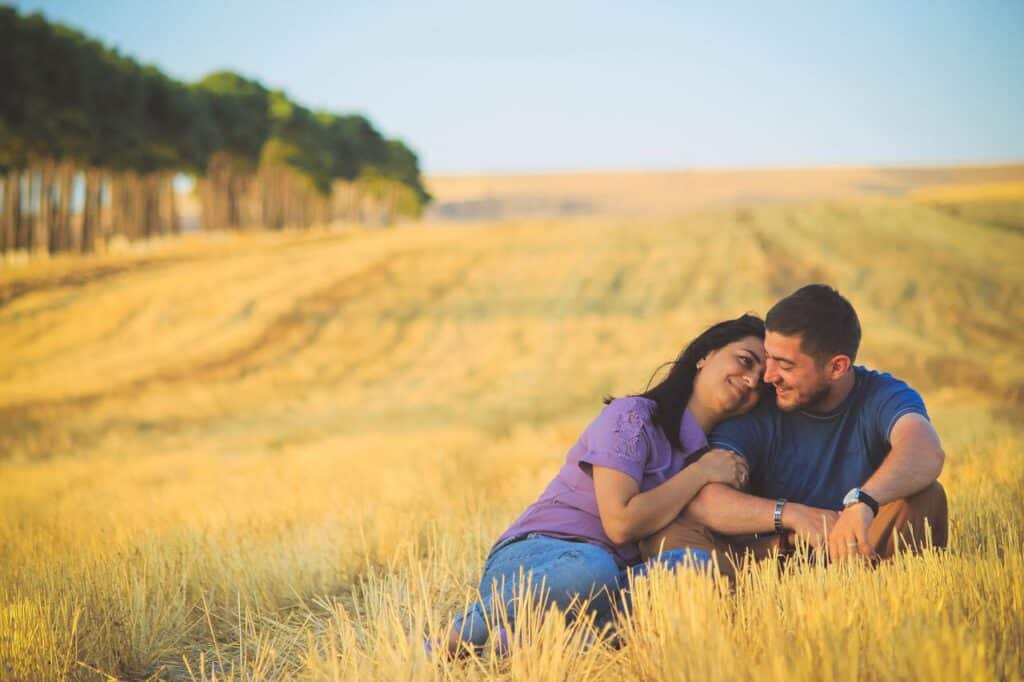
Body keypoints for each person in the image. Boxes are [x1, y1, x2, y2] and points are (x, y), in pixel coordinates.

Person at [434, 314, 767, 657]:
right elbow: (620, 524)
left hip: (611, 583)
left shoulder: (715, 457)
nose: (752, 380)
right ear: (705, 355)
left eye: (762, 381)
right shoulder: (634, 416)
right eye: (745, 360)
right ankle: (461, 633)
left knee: (695, 570)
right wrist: (700, 473)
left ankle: (538, 641)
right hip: (541, 560)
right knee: (591, 568)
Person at [641, 284, 948, 571]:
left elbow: (926, 450)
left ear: (836, 367)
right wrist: (792, 516)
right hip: (775, 554)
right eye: (768, 358)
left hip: (855, 551)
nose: (768, 376)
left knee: (926, 496)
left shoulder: (882, 395)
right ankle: (745, 607)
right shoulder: (758, 404)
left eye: (785, 365)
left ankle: (860, 599)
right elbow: (707, 501)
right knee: (671, 534)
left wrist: (863, 502)